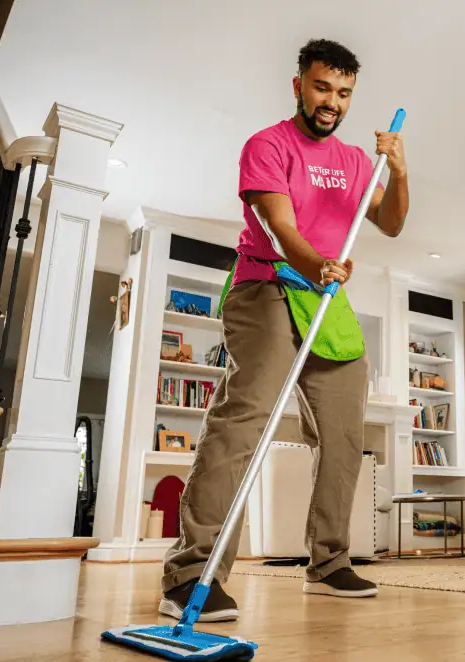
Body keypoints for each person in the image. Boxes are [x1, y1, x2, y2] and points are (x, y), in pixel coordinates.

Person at [159, 38, 409, 622]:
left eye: (344, 93)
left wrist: (398, 170)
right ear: (298, 84)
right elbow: (278, 227)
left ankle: (328, 563)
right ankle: (192, 572)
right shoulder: (268, 145)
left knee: (345, 436)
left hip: (327, 299)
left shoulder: (353, 161)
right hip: (268, 285)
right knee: (244, 422)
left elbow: (392, 223)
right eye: (323, 87)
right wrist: (315, 265)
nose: (332, 102)